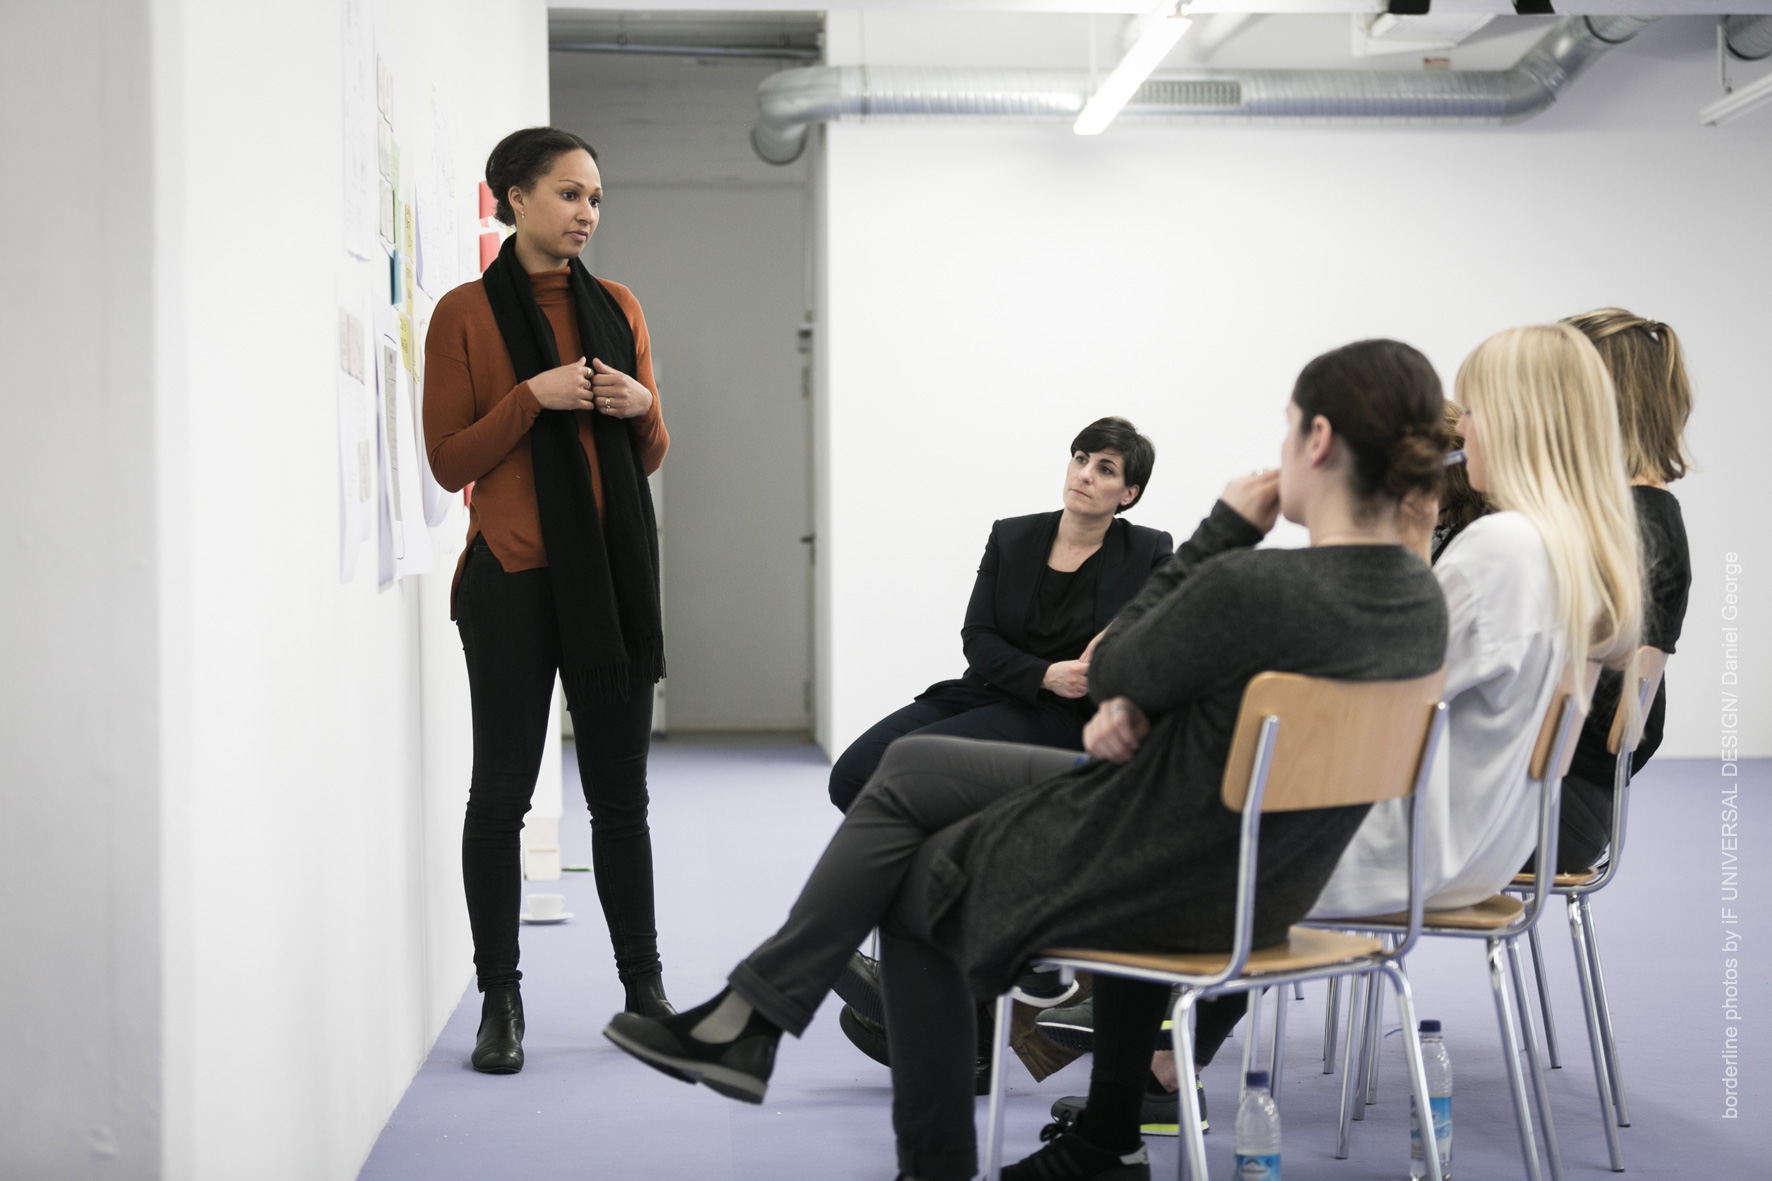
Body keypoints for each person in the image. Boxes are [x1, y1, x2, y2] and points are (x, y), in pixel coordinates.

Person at [602, 338, 1451, 1181]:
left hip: (1159, 863)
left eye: (1287, 428)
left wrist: (1222, 532)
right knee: (912, 768)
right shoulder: (1419, 606)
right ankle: (763, 1021)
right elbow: (1198, 693)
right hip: (1265, 883)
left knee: (913, 878)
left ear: (1317, 442)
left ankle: (883, 1125)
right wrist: (1140, 699)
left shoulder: (1256, 583)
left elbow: (1118, 661)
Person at [1100, 324, 1646, 1137]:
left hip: (1414, 849)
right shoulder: (1574, 554)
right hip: (1484, 847)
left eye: (1475, 415)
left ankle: (1116, 1106)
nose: (1459, 437)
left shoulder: (1502, 547)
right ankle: (1134, 1056)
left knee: (1139, 833)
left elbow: (1365, 687)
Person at [423, 127, 672, 1075]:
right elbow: (450, 463)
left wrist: (640, 409)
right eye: (569, 194)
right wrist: (532, 395)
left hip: (609, 585)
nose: (586, 213)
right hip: (514, 583)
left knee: (621, 798)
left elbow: (650, 452)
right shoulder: (463, 316)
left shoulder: (619, 307)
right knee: (501, 796)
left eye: (595, 199)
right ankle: (500, 1000)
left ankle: (643, 989)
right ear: (513, 198)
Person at [825, 418, 1171, 813]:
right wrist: (1045, 675)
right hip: (986, 690)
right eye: (1080, 459)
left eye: (1105, 469)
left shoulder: (1146, 549)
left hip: (1062, 715)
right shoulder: (1011, 537)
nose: (1085, 474)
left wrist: (1120, 628)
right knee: (853, 773)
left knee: (913, 767)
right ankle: (950, 859)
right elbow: (978, 636)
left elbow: (1176, 594)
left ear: (1128, 494)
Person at [1553, 308, 1693, 873]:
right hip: (1560, 795)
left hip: (1561, 804)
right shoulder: (1616, 515)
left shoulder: (1643, 526)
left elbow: (1623, 730)